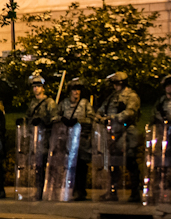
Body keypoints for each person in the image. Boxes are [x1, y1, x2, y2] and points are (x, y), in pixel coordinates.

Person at [97, 71, 142, 202]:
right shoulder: (112, 96)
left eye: (117, 84)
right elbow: (102, 109)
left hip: (127, 133)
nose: (116, 86)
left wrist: (113, 117)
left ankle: (135, 192)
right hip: (113, 134)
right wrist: (99, 117)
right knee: (113, 164)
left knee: (130, 162)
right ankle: (112, 191)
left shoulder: (131, 96)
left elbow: (130, 112)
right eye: (114, 84)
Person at [59, 77, 94, 201]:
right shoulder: (64, 104)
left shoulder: (85, 104)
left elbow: (91, 118)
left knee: (81, 166)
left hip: (81, 140)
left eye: (78, 89)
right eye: (74, 89)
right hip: (68, 140)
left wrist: (79, 121)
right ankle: (71, 189)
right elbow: (55, 117)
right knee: (69, 166)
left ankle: (81, 190)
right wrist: (62, 120)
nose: (76, 92)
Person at [24, 72, 58, 195]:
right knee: (37, 166)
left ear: (43, 88)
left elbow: (54, 120)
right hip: (35, 138)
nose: (36, 89)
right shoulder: (33, 103)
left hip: (46, 139)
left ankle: (48, 189)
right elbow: (28, 117)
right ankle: (38, 188)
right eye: (34, 86)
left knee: (46, 165)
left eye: (38, 86)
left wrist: (44, 121)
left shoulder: (49, 102)